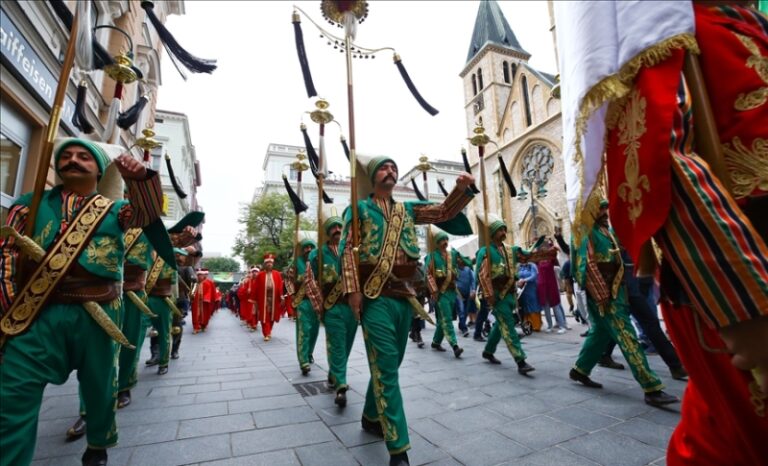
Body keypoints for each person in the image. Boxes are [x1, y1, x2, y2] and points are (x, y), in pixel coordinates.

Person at [0, 138, 165, 466]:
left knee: (100, 386)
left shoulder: (116, 210)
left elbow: (147, 215)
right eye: (67, 155)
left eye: (83, 156)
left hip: (100, 312)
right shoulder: (28, 204)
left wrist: (141, 180)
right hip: (37, 312)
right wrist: (7, 304)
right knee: (11, 395)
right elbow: (7, 255)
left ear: (99, 169)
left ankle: (97, 445)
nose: (73, 160)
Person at [341, 155, 475, 466]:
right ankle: (398, 448)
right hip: (374, 296)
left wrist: (461, 190)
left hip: (405, 296)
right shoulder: (359, 209)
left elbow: (443, 212)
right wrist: (352, 290)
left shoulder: (407, 210)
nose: (390, 171)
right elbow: (347, 250)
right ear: (373, 176)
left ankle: (371, 416)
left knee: (391, 363)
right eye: (383, 167)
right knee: (387, 368)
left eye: (394, 168)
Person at [568, 200, 678, 408]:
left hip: (615, 292)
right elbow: (587, 265)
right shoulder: (584, 232)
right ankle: (651, 388)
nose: (605, 212)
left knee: (600, 334)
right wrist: (602, 295)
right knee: (627, 336)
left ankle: (580, 370)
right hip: (604, 295)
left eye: (605, 208)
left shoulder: (605, 231)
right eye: (601, 208)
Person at [306, 205, 357, 407]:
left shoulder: (352, 251)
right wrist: (320, 307)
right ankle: (341, 386)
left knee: (346, 345)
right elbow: (310, 282)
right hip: (332, 307)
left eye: (339, 226)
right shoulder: (316, 255)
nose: (336, 230)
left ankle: (333, 373)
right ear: (327, 231)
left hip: (351, 307)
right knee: (337, 344)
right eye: (333, 227)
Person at [475, 214, 536, 375]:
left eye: (504, 229)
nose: (503, 232)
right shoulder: (485, 251)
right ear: (492, 233)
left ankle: (488, 351)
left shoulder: (510, 250)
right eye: (500, 230)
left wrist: (540, 249)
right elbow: (482, 275)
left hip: (510, 294)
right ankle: (520, 360)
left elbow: (526, 255)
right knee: (508, 326)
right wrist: (489, 295)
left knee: (500, 325)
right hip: (497, 296)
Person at [424, 229, 465, 358]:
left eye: (446, 239)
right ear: (437, 242)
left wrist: (465, 260)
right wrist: (434, 291)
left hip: (452, 291)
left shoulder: (452, 255)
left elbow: (463, 263)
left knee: (443, 319)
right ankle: (455, 345)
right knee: (447, 319)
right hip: (440, 293)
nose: (445, 242)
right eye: (442, 240)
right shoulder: (432, 256)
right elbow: (428, 274)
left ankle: (436, 342)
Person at [286, 233, 318, 375]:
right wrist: (292, 293)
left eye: (311, 247)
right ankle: (303, 360)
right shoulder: (296, 262)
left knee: (314, 331)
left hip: (316, 302)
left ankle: (309, 353)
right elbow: (288, 279)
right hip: (302, 301)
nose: (309, 249)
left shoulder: (318, 262)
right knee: (304, 330)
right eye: (306, 247)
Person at [535, 239, 569, 334]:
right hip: (542, 286)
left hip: (551, 285)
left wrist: (554, 247)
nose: (543, 250)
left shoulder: (551, 259)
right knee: (546, 308)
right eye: (541, 249)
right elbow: (530, 255)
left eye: (544, 248)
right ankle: (550, 326)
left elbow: (556, 253)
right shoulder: (538, 260)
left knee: (555, 306)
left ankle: (562, 326)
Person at [252, 254, 284, 341]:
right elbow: (255, 288)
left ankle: (269, 331)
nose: (269, 264)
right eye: (267, 263)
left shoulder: (277, 274)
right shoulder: (260, 275)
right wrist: (254, 300)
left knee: (272, 316)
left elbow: (280, 286)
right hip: (263, 299)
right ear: (265, 264)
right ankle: (266, 333)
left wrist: (281, 296)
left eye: (271, 263)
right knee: (264, 316)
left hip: (274, 299)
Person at [516, 251, 541, 331]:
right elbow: (516, 275)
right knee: (525, 306)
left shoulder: (532, 265)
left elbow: (534, 276)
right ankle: (527, 324)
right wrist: (518, 281)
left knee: (533, 305)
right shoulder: (519, 266)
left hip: (532, 288)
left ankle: (536, 325)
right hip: (522, 290)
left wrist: (525, 280)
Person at [455, 255, 476, 337]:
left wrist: (473, 290)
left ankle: (461, 324)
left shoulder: (468, 269)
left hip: (468, 293)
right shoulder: (455, 269)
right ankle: (464, 329)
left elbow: (472, 281)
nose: (460, 261)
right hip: (458, 293)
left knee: (466, 311)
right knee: (461, 310)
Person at [191, 268, 214, 333]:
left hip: (204, 302)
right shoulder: (195, 283)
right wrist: (191, 295)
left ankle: (203, 325)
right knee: (195, 314)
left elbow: (210, 292)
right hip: (196, 302)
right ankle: (196, 327)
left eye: (201, 275)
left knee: (205, 314)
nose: (199, 276)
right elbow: (192, 291)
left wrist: (206, 298)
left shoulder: (208, 283)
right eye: (198, 275)